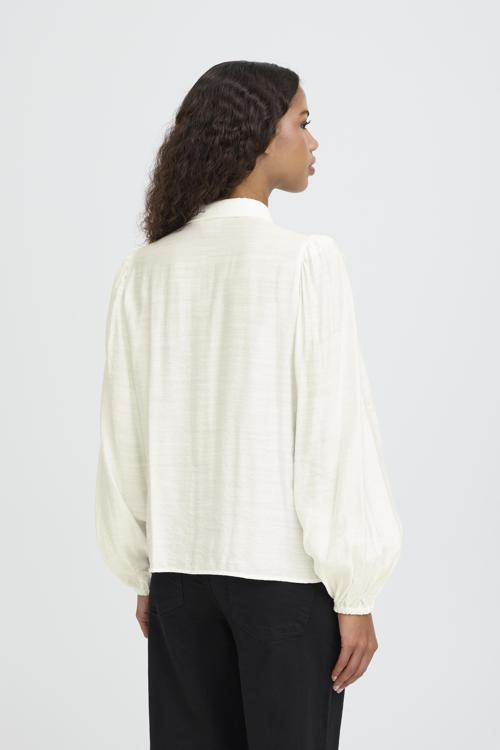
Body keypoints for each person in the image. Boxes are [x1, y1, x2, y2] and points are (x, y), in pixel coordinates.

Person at [95, 60, 403, 750]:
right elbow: (333, 435)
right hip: (282, 586)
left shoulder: (143, 270)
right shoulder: (305, 262)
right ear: (258, 136)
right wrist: (355, 590)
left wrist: (145, 570)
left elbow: (124, 437)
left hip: (178, 581)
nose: (313, 141)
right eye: (303, 122)